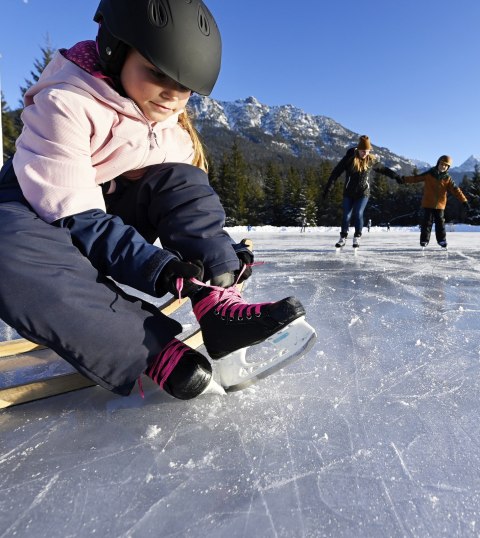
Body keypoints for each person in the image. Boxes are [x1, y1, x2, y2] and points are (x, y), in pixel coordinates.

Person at [0, 0, 311, 401]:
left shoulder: (168, 128)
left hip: (102, 215)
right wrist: (156, 267)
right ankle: (148, 349)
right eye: (156, 73)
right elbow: (72, 214)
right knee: (5, 248)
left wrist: (217, 258)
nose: (172, 95)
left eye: (185, 87)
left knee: (180, 177)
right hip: (33, 217)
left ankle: (220, 308)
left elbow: (185, 199)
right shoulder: (65, 104)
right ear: (115, 50)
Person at [322, 135, 400, 248]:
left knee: (358, 213)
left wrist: (396, 176)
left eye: (367, 151)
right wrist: (328, 188)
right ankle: (343, 237)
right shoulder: (349, 159)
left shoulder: (371, 160)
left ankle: (357, 237)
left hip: (363, 193)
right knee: (346, 215)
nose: (365, 153)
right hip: (349, 192)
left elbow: (384, 170)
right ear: (358, 149)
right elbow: (335, 173)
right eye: (363, 151)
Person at [398, 155, 469, 249]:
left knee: (440, 224)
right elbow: (416, 178)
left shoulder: (447, 178)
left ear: (448, 168)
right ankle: (424, 240)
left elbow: (456, 190)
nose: (443, 166)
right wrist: (403, 179)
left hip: (440, 205)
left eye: (446, 165)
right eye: (442, 164)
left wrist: (464, 200)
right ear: (438, 163)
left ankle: (442, 240)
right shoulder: (429, 174)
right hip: (428, 203)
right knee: (426, 223)